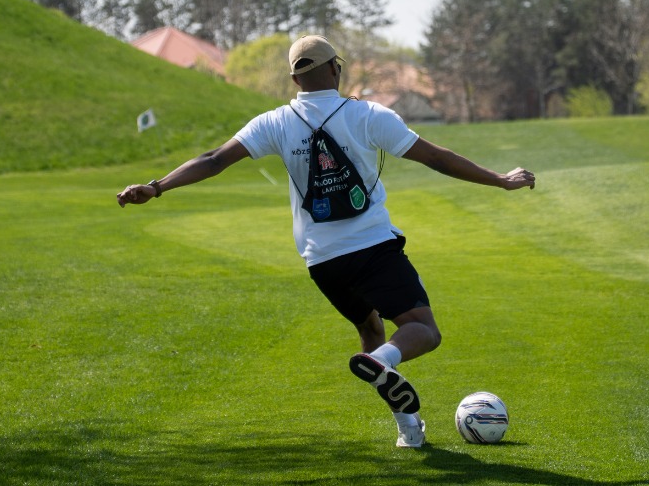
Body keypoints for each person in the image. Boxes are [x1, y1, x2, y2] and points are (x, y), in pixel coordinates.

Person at [116, 35, 535, 448]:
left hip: (322, 262)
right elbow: (437, 157)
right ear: (336, 68)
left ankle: (409, 428)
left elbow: (212, 160)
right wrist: (499, 180)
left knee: (370, 327)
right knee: (422, 330)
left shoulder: (275, 122)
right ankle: (382, 363)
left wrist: (157, 187)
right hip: (372, 248)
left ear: (295, 81)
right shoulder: (369, 115)